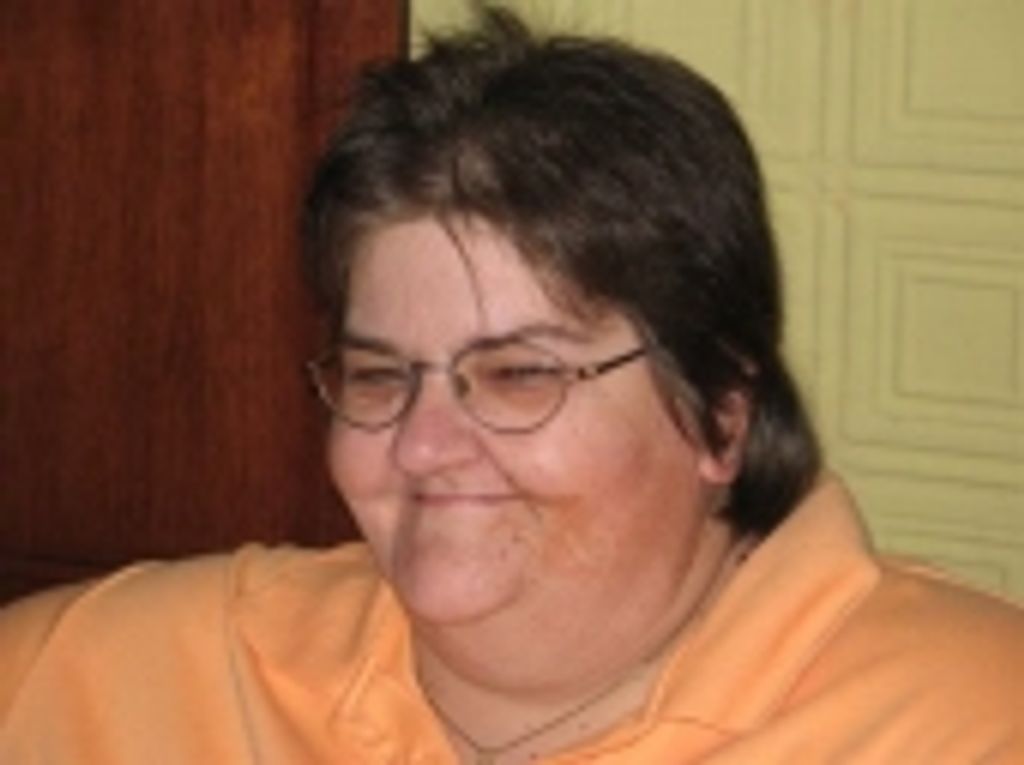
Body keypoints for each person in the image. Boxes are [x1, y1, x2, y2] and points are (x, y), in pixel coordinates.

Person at [2, 7, 1022, 764]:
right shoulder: (146, 669)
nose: (419, 446)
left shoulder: (973, 719)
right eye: (379, 375)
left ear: (721, 415)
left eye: (519, 374)